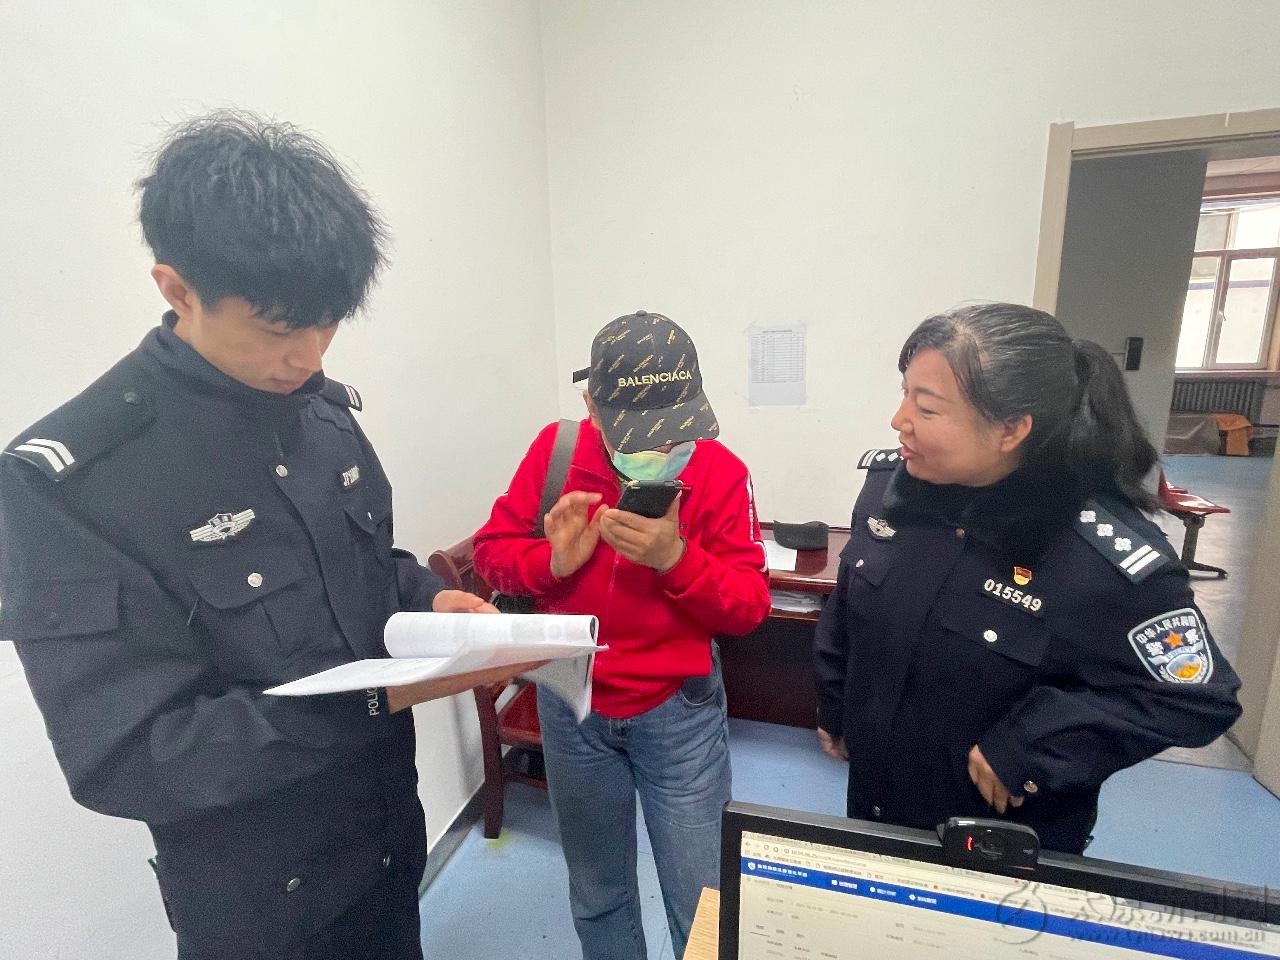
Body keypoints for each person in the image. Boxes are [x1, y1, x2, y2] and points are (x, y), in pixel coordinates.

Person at [0, 111, 520, 960]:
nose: (310, 356)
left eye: (328, 324)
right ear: (177, 290)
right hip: (260, 902)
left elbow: (365, 570)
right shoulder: (72, 482)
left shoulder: (318, 410)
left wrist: (432, 601)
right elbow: (131, 758)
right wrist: (383, 697)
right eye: (279, 331)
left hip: (388, 842)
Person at [813, 302, 1243, 854]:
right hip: (876, 803)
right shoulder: (891, 492)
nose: (900, 420)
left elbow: (1195, 697)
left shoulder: (1100, 555)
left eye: (927, 407)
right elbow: (850, 604)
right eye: (904, 395)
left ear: (1011, 429)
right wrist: (835, 703)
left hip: (1000, 838)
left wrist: (1031, 745)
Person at [473, 310, 771, 960]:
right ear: (592, 406)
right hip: (572, 705)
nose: (659, 451)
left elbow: (749, 607)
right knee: (597, 892)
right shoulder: (557, 452)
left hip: (679, 713)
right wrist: (552, 562)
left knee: (704, 903)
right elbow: (492, 554)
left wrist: (677, 560)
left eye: (674, 431)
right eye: (640, 434)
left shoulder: (721, 472)